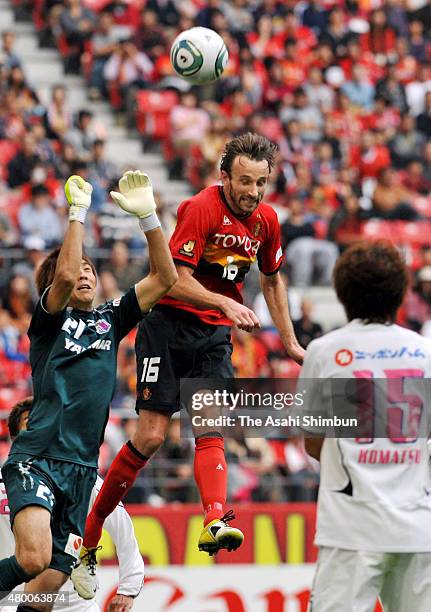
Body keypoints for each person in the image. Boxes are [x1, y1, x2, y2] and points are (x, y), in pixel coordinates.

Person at [77, 133, 304, 594]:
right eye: (244, 181)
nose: (253, 192)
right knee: (152, 436)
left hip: (214, 337)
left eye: (260, 183)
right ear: (225, 177)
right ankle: (92, 534)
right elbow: (171, 280)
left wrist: (290, 340)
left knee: (211, 423)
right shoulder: (200, 208)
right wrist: (224, 304)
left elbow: (273, 281)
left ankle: (215, 519)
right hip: (167, 327)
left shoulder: (266, 221)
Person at [0, 171, 177, 610]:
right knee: (33, 558)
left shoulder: (111, 319)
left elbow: (165, 278)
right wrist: (77, 213)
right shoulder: (48, 323)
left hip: (81, 470)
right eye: (77, 267)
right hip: (38, 458)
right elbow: (60, 279)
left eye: (90, 268)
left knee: (45, 593)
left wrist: (150, 219)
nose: (84, 273)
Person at [300, 240, 431, 611]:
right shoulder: (425, 352)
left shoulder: (323, 352)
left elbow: (313, 444)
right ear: (401, 292)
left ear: (342, 292)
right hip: (418, 528)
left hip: (350, 528)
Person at [0, 397, 144, 612]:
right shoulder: (3, 479)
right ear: (15, 436)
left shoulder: (82, 477)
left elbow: (122, 528)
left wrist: (128, 588)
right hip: (13, 603)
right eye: (30, 422)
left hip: (74, 605)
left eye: (43, 421)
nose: (37, 428)